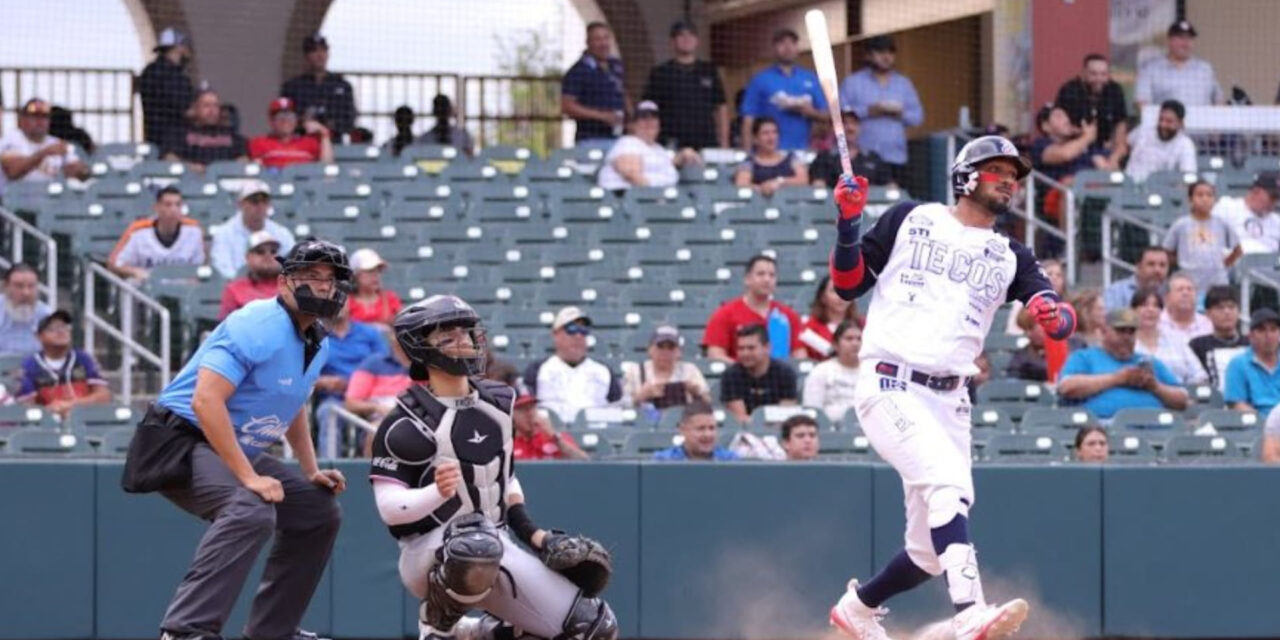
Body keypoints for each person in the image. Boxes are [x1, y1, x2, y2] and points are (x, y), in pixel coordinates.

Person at [826, 135, 1080, 640]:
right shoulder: (910, 218)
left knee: (928, 551)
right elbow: (848, 283)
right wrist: (849, 220)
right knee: (947, 484)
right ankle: (969, 612)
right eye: (997, 170)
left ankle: (858, 607)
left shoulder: (1012, 254)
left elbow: (1060, 316)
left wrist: (1055, 316)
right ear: (965, 175)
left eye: (1015, 174)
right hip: (890, 382)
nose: (1009, 180)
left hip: (950, 398)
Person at [369, 294, 618, 640]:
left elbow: (504, 479)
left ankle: (481, 632)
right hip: (428, 552)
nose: (463, 342)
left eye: (465, 332)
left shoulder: (500, 403)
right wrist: (434, 492)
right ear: (422, 349)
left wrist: (536, 535)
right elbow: (390, 509)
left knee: (593, 627)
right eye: (448, 336)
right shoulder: (405, 422)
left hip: (495, 540)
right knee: (476, 545)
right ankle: (439, 625)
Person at [135, 240, 349, 640]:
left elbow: (293, 402)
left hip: (223, 442)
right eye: (312, 277)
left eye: (330, 279)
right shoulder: (256, 323)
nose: (322, 286)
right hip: (177, 439)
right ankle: (184, 631)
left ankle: (273, 631)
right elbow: (205, 400)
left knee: (317, 511)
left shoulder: (316, 339)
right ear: (284, 282)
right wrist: (248, 477)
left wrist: (310, 469)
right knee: (250, 509)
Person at [1058, 308, 1189, 419]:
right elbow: (1067, 388)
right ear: (1104, 332)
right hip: (1103, 427)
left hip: (1155, 427)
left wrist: (1154, 386)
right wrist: (1118, 378)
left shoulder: (1148, 361)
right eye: (1120, 331)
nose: (1126, 337)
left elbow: (1182, 399)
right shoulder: (1085, 357)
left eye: (1131, 332)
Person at [836, 35, 923, 183]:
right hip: (862, 157)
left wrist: (900, 113)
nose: (886, 57)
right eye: (880, 52)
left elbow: (917, 117)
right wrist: (869, 111)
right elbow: (840, 114)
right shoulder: (853, 82)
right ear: (869, 55)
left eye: (890, 52)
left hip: (895, 156)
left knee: (895, 202)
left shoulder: (903, 83)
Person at [522, 307, 623, 423]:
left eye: (583, 330)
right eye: (571, 329)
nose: (578, 336)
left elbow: (617, 411)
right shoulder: (538, 370)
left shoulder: (603, 371)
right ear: (555, 334)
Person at [314, 301, 387, 460]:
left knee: (387, 415)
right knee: (327, 413)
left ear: (349, 304)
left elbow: (385, 365)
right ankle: (330, 470)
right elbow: (304, 375)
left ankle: (375, 471)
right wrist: (322, 381)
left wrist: (360, 385)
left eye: (341, 300)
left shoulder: (369, 333)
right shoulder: (316, 336)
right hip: (335, 398)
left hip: (369, 397)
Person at [642, 19, 729, 150]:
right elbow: (648, 109)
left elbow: (721, 108)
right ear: (672, 42)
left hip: (705, 142)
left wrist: (724, 142)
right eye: (681, 35)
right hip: (670, 143)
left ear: (697, 41)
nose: (686, 38)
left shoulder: (709, 70)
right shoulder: (660, 73)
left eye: (691, 35)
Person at [702, 254, 805, 362]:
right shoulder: (725, 314)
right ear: (747, 279)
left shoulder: (788, 316)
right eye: (760, 274)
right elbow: (716, 355)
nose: (767, 279)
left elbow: (799, 355)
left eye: (772, 275)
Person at [739, 28, 827, 152]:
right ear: (774, 48)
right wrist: (748, 155)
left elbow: (827, 115)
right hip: (767, 153)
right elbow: (748, 120)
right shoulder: (760, 79)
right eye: (782, 43)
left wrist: (809, 112)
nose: (788, 47)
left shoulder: (810, 78)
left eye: (792, 43)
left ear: (797, 48)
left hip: (802, 150)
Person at [16, 310, 111, 419]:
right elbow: (26, 406)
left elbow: (104, 396)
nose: (61, 332)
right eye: (52, 329)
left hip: (86, 421)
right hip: (48, 427)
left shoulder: (83, 359)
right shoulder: (30, 365)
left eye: (64, 327)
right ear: (39, 336)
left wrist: (71, 405)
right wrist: (51, 411)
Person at [108, 186, 206, 281]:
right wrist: (134, 271)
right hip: (146, 289)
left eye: (178, 205)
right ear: (157, 207)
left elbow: (199, 268)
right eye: (168, 205)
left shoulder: (194, 231)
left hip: (181, 290)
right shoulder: (139, 232)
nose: (173, 210)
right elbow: (115, 264)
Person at [596, 101, 699, 191]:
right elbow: (632, 175)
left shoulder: (659, 149)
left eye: (654, 117)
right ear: (632, 125)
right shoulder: (628, 143)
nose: (650, 122)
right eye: (643, 118)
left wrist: (685, 153)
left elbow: (673, 160)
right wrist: (659, 196)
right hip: (628, 200)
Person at [1163, 180, 1241, 293]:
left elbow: (1237, 250)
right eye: (1200, 195)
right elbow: (1167, 251)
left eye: (1209, 195)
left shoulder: (1222, 223)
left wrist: (1223, 265)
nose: (1205, 199)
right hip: (1190, 280)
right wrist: (1183, 262)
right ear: (1190, 200)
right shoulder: (1181, 224)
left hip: (1217, 281)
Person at [0, 98, 89, 198]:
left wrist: (80, 170)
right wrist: (44, 153)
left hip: (49, 201)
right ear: (22, 119)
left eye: (44, 117)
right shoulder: (11, 140)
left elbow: (78, 170)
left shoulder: (56, 143)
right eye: (34, 116)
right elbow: (13, 171)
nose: (40, 121)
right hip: (14, 201)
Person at [1054, 54, 1129, 170]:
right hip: (1076, 151)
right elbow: (1059, 130)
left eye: (1103, 74)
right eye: (1093, 74)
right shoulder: (1069, 90)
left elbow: (1121, 133)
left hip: (1106, 151)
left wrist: (1115, 158)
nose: (1099, 79)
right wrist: (1083, 137)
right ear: (1083, 73)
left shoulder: (1115, 91)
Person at [209, 180, 297, 279]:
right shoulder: (224, 233)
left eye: (264, 201)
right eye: (254, 201)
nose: (260, 206)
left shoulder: (281, 233)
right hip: (239, 288)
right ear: (241, 204)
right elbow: (223, 269)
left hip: (274, 286)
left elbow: (291, 265)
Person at [561, 22, 628, 146]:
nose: (603, 43)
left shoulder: (616, 65)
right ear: (588, 42)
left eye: (606, 38)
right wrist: (602, 116)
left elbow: (623, 93)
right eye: (598, 39)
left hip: (618, 138)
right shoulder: (579, 70)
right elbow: (567, 106)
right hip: (591, 140)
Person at [281, 34, 357, 138]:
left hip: (333, 142)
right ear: (306, 56)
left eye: (323, 50)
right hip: (302, 142)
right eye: (314, 51)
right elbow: (283, 119)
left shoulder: (342, 85)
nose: (320, 55)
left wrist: (329, 124)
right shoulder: (293, 86)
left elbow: (349, 119)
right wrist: (302, 121)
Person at [1134, 20, 1222, 110]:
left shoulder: (1205, 69)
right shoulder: (1151, 70)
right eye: (1181, 38)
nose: (1185, 43)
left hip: (1201, 123)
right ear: (1169, 40)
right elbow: (1141, 103)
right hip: (1167, 123)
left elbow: (1219, 101)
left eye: (1190, 38)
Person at [621, 325, 710, 413]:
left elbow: (708, 403)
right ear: (650, 350)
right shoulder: (635, 371)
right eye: (660, 347)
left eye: (671, 348)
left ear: (679, 352)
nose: (665, 352)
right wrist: (640, 396)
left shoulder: (690, 371)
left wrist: (696, 392)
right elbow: (620, 405)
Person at [720, 324, 798, 424]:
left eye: (751, 348)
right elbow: (739, 418)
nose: (745, 353)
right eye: (741, 348)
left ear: (767, 347)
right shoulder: (731, 375)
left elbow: (785, 415)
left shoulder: (785, 374)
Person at [1131, 287, 1207, 385]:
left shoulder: (1177, 339)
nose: (1150, 310)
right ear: (1133, 310)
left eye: (1155, 306)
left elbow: (1200, 374)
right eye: (1144, 305)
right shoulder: (1126, 342)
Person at [344, 332, 413, 438]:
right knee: (377, 432)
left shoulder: (425, 366)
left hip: (417, 419)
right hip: (381, 418)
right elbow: (351, 403)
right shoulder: (372, 363)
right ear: (392, 338)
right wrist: (377, 408)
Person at [162, 90, 249, 173]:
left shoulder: (232, 136)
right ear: (195, 109)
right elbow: (169, 158)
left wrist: (224, 170)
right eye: (206, 106)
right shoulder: (179, 134)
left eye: (215, 106)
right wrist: (189, 168)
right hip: (191, 181)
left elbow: (243, 160)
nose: (212, 111)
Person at [138, 27, 195, 148]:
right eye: (185, 45)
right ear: (178, 47)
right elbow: (186, 110)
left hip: (153, 140)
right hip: (174, 144)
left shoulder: (149, 71)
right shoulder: (173, 75)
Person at [810, 109, 894, 188]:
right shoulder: (824, 158)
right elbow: (818, 186)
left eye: (854, 123)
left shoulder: (873, 158)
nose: (849, 127)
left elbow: (891, 187)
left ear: (860, 128)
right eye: (844, 123)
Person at [1189, 285, 1249, 390]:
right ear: (1208, 313)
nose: (1227, 312)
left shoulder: (1251, 344)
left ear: (1238, 311)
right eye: (1220, 308)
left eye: (1231, 307)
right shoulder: (1197, 346)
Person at [248, 97, 334, 169]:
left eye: (290, 116)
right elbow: (258, 172)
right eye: (280, 117)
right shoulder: (259, 142)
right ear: (271, 121)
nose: (286, 121)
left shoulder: (310, 143)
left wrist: (324, 134)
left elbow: (326, 169)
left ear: (296, 120)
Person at [1224, 308, 1280, 416]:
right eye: (1261, 330)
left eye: (1273, 329)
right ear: (1251, 336)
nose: (1268, 335)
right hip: (1254, 427)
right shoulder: (1238, 364)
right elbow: (1237, 405)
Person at [1124, 100, 1196, 183]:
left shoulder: (1185, 145)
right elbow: (1124, 144)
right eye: (1161, 119)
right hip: (1128, 185)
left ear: (1180, 123)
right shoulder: (1143, 131)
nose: (1163, 125)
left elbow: (1188, 177)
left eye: (1169, 121)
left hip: (1161, 190)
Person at [1030, 103, 1104, 183]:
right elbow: (1064, 154)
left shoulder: (1082, 144)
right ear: (1046, 126)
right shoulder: (1040, 144)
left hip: (1091, 189)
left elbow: (1105, 167)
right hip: (1058, 191)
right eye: (1059, 117)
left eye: (1066, 115)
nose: (1066, 120)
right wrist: (1087, 138)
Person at [733, 117, 808, 196]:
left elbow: (803, 180)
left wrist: (779, 182)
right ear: (755, 139)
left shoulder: (791, 158)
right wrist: (762, 188)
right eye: (765, 133)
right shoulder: (749, 162)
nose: (771, 138)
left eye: (774, 132)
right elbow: (742, 183)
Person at [802, 321, 861, 421]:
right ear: (835, 344)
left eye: (859, 339)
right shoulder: (821, 371)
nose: (855, 343)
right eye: (849, 339)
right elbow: (812, 410)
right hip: (830, 430)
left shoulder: (873, 373)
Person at [219, 231, 283, 320]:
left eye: (273, 251)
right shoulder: (234, 290)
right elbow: (226, 328)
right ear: (248, 257)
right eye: (260, 252)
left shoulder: (291, 286)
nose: (268, 255)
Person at [1212, 171, 1280, 255]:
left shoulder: (1276, 222)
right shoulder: (1227, 208)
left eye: (1278, 199)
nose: (1276, 202)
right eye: (1273, 197)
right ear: (1256, 191)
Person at [800, 275, 863, 359]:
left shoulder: (864, 325)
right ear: (822, 297)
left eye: (845, 290)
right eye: (834, 291)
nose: (840, 297)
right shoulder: (808, 327)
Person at [653, 400, 739, 460]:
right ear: (683, 430)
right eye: (701, 429)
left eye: (712, 428)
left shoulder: (730, 460)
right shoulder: (664, 461)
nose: (708, 434)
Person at [511, 394, 588, 460]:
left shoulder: (554, 437)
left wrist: (554, 437)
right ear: (512, 415)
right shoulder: (508, 443)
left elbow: (583, 460)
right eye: (523, 410)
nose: (530, 414)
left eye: (532, 408)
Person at [0, 263, 52, 359]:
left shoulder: (47, 316)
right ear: (5, 287)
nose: (26, 293)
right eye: (18, 286)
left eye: (31, 286)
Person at [347, 248, 403, 325]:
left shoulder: (390, 299)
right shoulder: (347, 303)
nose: (376, 275)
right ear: (355, 275)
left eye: (378, 271)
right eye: (370, 271)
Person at [1103, 246, 1169, 311]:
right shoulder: (1116, 292)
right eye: (1151, 264)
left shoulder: (1172, 293)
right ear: (1138, 267)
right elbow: (1109, 319)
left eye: (1162, 265)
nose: (1157, 270)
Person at [1160, 272, 1212, 345]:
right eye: (1180, 290)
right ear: (1166, 298)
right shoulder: (1156, 323)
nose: (1185, 293)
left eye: (1190, 289)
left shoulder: (1208, 324)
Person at [1005, 310, 1048, 382]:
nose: (1028, 334)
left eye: (1031, 327)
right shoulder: (1021, 357)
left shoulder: (1064, 350)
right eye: (1026, 329)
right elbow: (1012, 382)